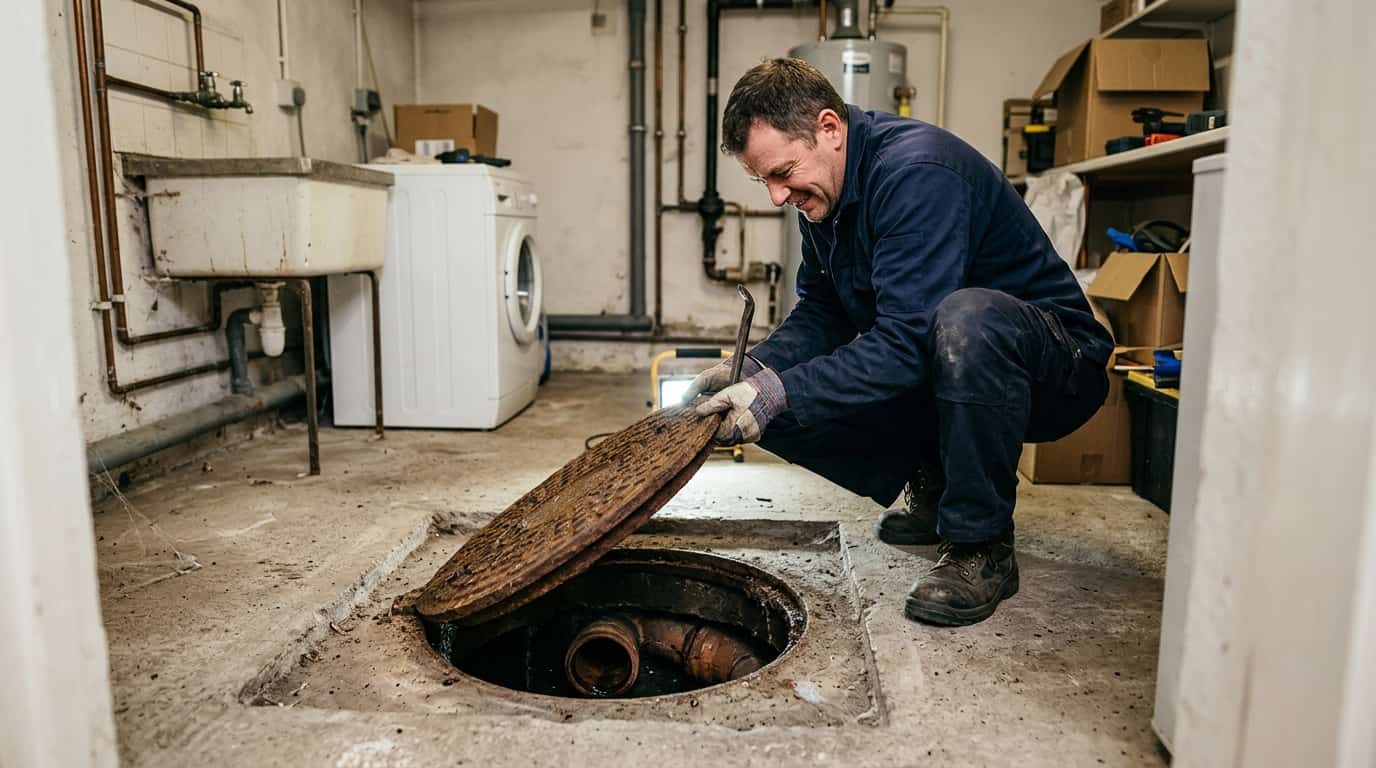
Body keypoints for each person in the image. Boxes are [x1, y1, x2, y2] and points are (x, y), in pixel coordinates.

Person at [688, 58, 1114, 627]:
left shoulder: (917, 173)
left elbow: (910, 339)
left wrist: (776, 391)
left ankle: (981, 545)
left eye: (783, 172)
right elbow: (823, 312)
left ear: (830, 129)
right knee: (775, 400)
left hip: (1054, 365)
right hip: (950, 359)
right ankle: (940, 488)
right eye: (763, 179)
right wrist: (750, 369)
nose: (775, 196)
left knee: (965, 320)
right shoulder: (823, 195)